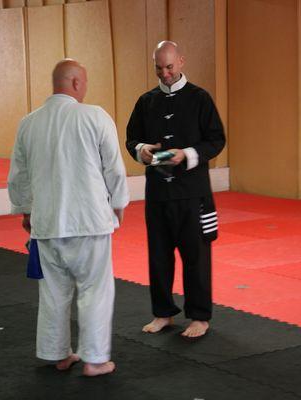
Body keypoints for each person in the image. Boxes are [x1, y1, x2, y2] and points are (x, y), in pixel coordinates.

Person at [8, 59, 129, 376]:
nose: (85, 88)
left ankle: (58, 354)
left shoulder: (29, 123)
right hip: (89, 221)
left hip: (46, 223)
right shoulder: (94, 116)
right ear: (76, 83)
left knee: (53, 293)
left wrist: (25, 210)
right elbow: (113, 168)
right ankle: (95, 359)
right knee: (94, 290)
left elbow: (18, 176)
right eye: (84, 83)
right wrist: (118, 204)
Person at [126, 41, 225, 338]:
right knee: (158, 256)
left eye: (169, 67)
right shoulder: (146, 101)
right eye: (159, 68)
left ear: (181, 61)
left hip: (193, 194)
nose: (165, 74)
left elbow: (216, 139)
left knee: (196, 256)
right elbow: (132, 139)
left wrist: (188, 154)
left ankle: (199, 316)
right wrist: (141, 150)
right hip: (157, 194)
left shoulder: (200, 98)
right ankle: (163, 313)